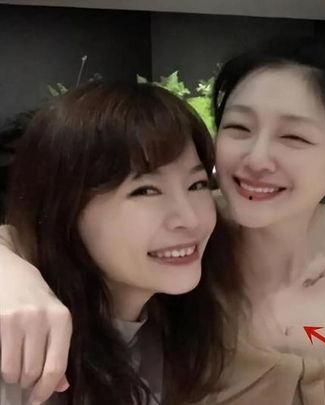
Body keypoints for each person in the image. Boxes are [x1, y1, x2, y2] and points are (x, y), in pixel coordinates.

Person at [0, 39, 325, 404]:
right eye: (238, 128)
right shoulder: (184, 243)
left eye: (293, 137)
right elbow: (40, 232)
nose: (256, 158)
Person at [0, 82, 241, 405]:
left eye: (197, 184)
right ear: (65, 208)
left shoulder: (173, 325)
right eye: (145, 191)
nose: (190, 219)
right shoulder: (19, 348)